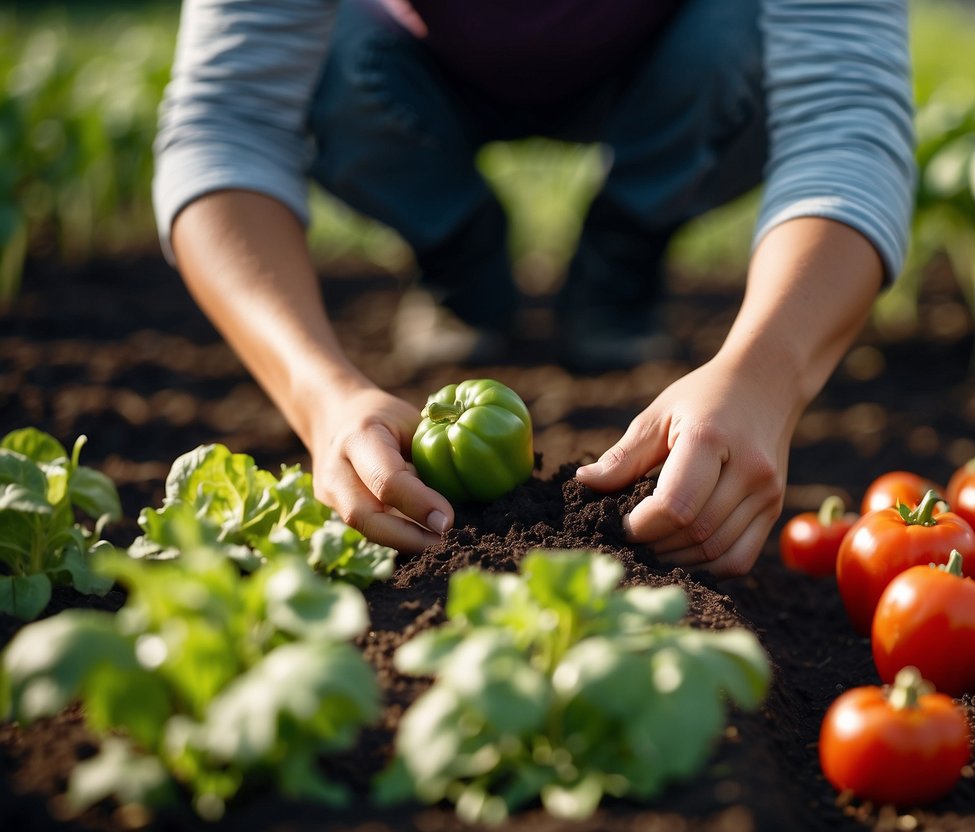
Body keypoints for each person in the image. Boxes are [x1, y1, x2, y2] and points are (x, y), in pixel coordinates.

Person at [153, 0, 915, 579]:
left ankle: (625, 248)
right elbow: (229, 119)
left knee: (743, 37)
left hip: (676, 60)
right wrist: (318, 394)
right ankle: (458, 248)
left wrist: (764, 374)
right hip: (406, 67)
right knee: (327, 55)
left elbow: (845, 112)